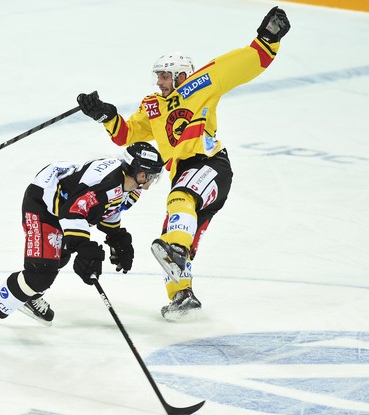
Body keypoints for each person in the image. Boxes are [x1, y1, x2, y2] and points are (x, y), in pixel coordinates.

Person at [76, 7, 290, 321]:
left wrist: (268, 39)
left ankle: (178, 252)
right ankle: (182, 295)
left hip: (211, 165)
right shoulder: (153, 106)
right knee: (174, 229)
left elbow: (242, 63)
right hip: (185, 175)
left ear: (180, 75)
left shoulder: (201, 83)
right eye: (158, 75)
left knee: (179, 205)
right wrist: (105, 114)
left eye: (165, 75)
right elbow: (126, 134)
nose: (160, 81)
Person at [0, 142, 165, 345]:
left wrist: (116, 237)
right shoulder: (108, 183)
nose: (152, 181)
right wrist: (84, 248)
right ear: (140, 174)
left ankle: (28, 296)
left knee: (58, 257)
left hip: (65, 203)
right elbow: (72, 212)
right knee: (40, 273)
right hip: (43, 204)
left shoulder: (131, 189)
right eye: (151, 176)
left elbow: (105, 208)